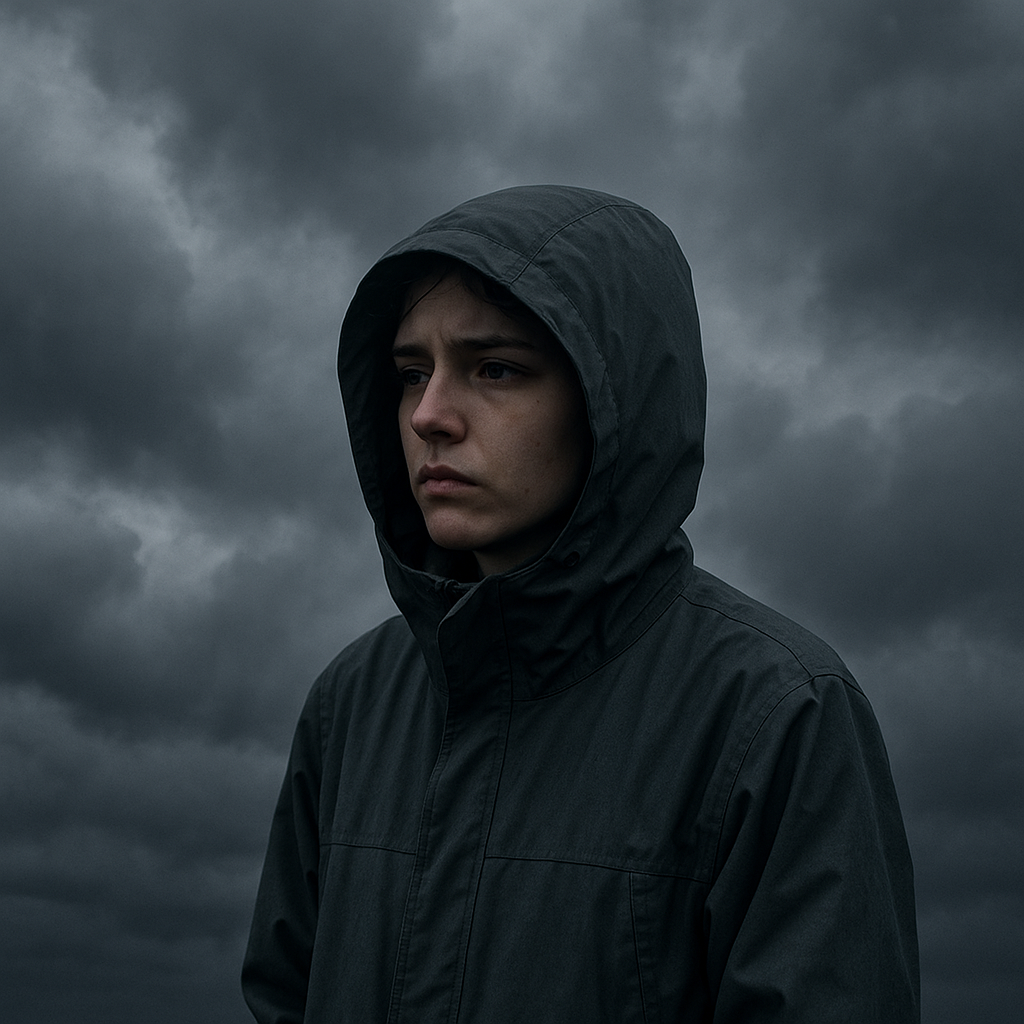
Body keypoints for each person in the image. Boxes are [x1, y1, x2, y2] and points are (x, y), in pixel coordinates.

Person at [242, 185, 919, 1022]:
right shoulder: (351, 703)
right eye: (411, 372)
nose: (428, 415)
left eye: (496, 368)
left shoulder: (779, 711)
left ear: (615, 398)